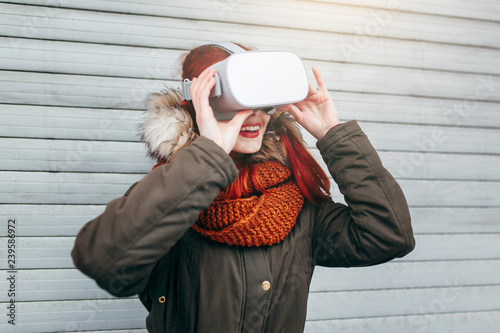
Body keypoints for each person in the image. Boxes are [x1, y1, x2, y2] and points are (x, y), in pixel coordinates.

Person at [71, 42, 415, 332]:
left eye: (261, 99)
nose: (253, 115)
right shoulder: (171, 196)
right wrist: (209, 155)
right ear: (202, 102)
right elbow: (106, 264)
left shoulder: (296, 203)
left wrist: (332, 134)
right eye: (237, 99)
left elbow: (387, 236)